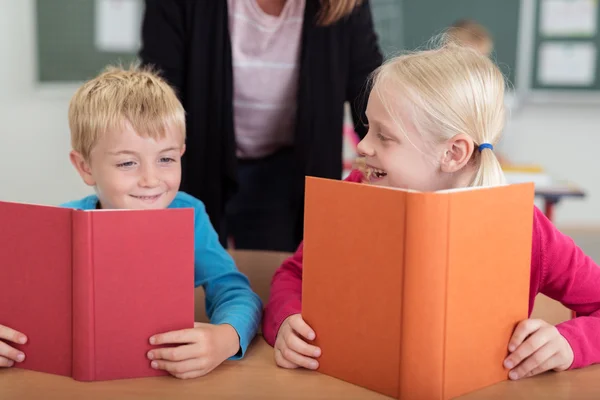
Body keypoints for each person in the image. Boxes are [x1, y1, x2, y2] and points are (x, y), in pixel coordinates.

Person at [262, 41, 600, 380]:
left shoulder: (525, 229)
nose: (363, 146)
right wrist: (287, 321)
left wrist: (568, 344)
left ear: (453, 153)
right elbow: (293, 276)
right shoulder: (354, 192)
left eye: (384, 136)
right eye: (367, 128)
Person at [0, 65, 263, 379]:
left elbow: (235, 292)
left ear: (181, 154)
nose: (151, 180)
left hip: (164, 378)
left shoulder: (189, 215)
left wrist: (226, 338)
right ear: (85, 167)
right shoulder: (60, 225)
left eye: (166, 159)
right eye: (127, 162)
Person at [139, 0, 383, 252]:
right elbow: (160, 96)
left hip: (288, 173)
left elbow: (368, 97)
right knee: (190, 272)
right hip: (195, 164)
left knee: (274, 276)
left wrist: (395, 163)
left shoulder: (343, 5)